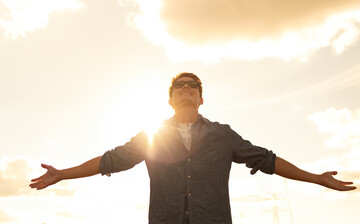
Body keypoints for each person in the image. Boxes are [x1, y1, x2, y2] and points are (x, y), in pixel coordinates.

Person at [30, 72, 356, 224]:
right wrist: (63, 174)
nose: (186, 89)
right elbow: (110, 161)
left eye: (193, 86)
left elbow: (267, 160)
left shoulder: (222, 135)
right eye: (180, 87)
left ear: (201, 98)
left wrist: (316, 178)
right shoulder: (151, 136)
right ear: (171, 99)